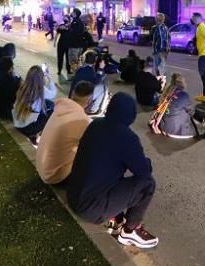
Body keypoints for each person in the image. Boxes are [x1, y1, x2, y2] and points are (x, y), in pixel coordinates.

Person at [67, 93, 159, 249]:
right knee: (148, 184)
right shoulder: (127, 137)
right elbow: (143, 172)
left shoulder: (95, 124)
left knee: (110, 171)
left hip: (74, 195)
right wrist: (146, 162)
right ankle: (130, 230)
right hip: (90, 208)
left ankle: (115, 216)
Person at [35, 80, 94, 184]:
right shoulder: (82, 121)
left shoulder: (60, 108)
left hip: (41, 166)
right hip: (53, 176)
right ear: (89, 100)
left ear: (72, 93)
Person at [12, 64, 58, 145]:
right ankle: (37, 135)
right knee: (52, 109)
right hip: (28, 128)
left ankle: (34, 134)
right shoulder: (41, 90)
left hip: (17, 123)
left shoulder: (23, 86)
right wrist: (49, 77)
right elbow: (53, 93)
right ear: (41, 78)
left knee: (48, 104)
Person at [151, 73, 196, 139]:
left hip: (165, 128)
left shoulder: (167, 92)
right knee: (187, 115)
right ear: (182, 82)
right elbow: (191, 112)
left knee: (177, 109)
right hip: (179, 132)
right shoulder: (183, 95)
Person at [191, 13, 205, 96]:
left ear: (197, 19)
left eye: (193, 18)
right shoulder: (199, 27)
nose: (192, 20)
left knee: (204, 75)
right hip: (204, 54)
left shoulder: (202, 27)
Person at [149, 12, 170, 77]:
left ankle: (160, 84)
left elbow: (160, 39)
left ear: (156, 20)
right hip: (165, 51)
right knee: (162, 67)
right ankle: (162, 82)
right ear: (163, 20)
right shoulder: (166, 28)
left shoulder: (157, 28)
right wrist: (167, 49)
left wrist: (157, 50)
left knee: (158, 68)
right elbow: (168, 38)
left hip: (159, 51)